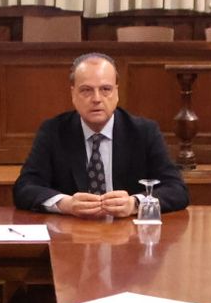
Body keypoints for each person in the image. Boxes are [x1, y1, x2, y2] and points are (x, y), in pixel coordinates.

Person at [13, 52, 188, 217]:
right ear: (73, 94)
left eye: (105, 89)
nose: (96, 99)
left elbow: (177, 189)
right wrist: (66, 204)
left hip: (127, 232)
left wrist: (134, 204)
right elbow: (24, 188)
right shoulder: (54, 131)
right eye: (86, 90)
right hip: (73, 231)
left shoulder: (143, 132)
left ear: (116, 93)